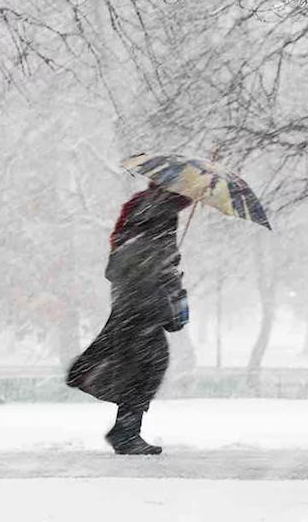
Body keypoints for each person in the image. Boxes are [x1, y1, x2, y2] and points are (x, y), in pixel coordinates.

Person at [67, 184, 192, 455]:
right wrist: (167, 267)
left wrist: (166, 264)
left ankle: (125, 430)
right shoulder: (161, 210)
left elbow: (126, 254)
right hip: (141, 301)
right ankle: (125, 431)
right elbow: (150, 254)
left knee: (140, 365)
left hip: (131, 299)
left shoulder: (145, 206)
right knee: (148, 365)